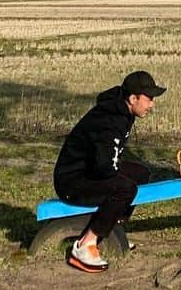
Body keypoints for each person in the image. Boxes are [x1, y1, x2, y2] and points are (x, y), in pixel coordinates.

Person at [53, 69, 166, 272]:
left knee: (140, 174)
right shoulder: (110, 120)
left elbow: (105, 162)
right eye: (149, 99)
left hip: (89, 170)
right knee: (125, 188)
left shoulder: (122, 111)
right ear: (133, 98)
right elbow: (105, 167)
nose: (152, 104)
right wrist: (117, 177)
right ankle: (85, 246)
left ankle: (112, 230)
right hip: (71, 181)